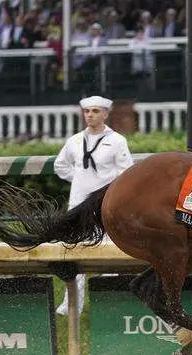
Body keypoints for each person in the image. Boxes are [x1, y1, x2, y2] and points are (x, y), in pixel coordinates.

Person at [53, 95, 134, 315]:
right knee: (74, 251)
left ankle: (108, 301)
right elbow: (60, 165)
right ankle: (72, 305)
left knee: (107, 252)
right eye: (87, 111)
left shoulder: (117, 140)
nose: (90, 115)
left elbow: (126, 170)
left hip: (105, 204)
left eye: (96, 111)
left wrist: (106, 189)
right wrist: (79, 180)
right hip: (78, 204)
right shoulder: (75, 140)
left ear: (106, 114)